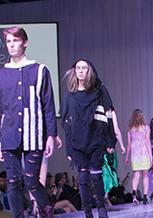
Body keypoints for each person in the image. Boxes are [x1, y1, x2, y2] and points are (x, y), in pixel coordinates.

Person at [0, 26, 58, 217]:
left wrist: (51, 135)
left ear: (25, 42)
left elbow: (48, 106)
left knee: (31, 180)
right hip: (9, 135)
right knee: (12, 181)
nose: (11, 45)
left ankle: (46, 210)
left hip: (34, 134)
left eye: (15, 40)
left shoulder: (40, 70)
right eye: (8, 42)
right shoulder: (0, 74)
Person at [60, 59, 119, 218]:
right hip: (77, 143)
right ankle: (87, 213)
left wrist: (110, 140)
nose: (80, 71)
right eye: (78, 68)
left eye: (84, 68)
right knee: (83, 178)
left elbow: (108, 116)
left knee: (96, 175)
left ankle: (101, 209)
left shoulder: (99, 92)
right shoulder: (69, 97)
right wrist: (69, 149)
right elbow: (66, 125)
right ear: (74, 71)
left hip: (95, 139)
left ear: (89, 71)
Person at [126, 109, 153, 205]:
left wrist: (126, 157)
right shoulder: (146, 128)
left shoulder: (130, 128)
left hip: (135, 153)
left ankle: (134, 193)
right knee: (145, 175)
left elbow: (129, 144)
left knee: (136, 174)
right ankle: (145, 196)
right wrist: (150, 157)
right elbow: (148, 142)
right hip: (144, 152)